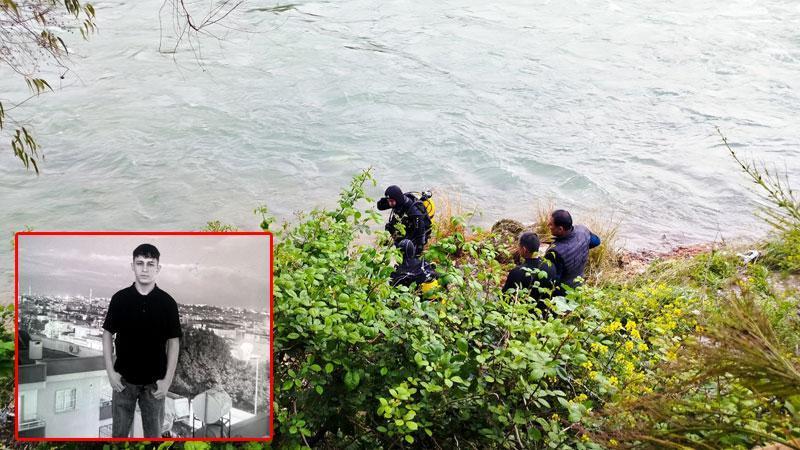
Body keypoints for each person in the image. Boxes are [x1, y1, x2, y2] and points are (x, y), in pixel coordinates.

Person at [102, 243, 182, 438]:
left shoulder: (167, 303)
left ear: (158, 268)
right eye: (140, 263)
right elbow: (107, 334)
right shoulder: (120, 299)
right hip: (123, 382)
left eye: (150, 264)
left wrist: (167, 381)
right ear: (133, 266)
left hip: (155, 385)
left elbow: (174, 342)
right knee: (119, 437)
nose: (145, 269)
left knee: (154, 438)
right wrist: (111, 373)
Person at [544, 210, 601, 293]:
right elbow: (597, 241)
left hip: (563, 292)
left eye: (551, 224)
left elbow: (552, 280)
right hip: (579, 283)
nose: (548, 225)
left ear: (560, 229)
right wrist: (581, 247)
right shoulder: (583, 231)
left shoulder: (555, 252)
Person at [502, 232, 558, 313]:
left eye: (519, 246)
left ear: (524, 249)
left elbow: (505, 295)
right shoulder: (551, 266)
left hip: (522, 312)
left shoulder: (517, 272)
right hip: (543, 311)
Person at [377, 185, 432, 257]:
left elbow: (420, 232)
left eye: (391, 201)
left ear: (397, 199)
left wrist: (418, 249)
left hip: (416, 232)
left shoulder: (413, 210)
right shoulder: (396, 202)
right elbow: (380, 207)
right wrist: (384, 200)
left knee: (407, 255)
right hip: (406, 228)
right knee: (390, 227)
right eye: (389, 201)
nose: (390, 204)